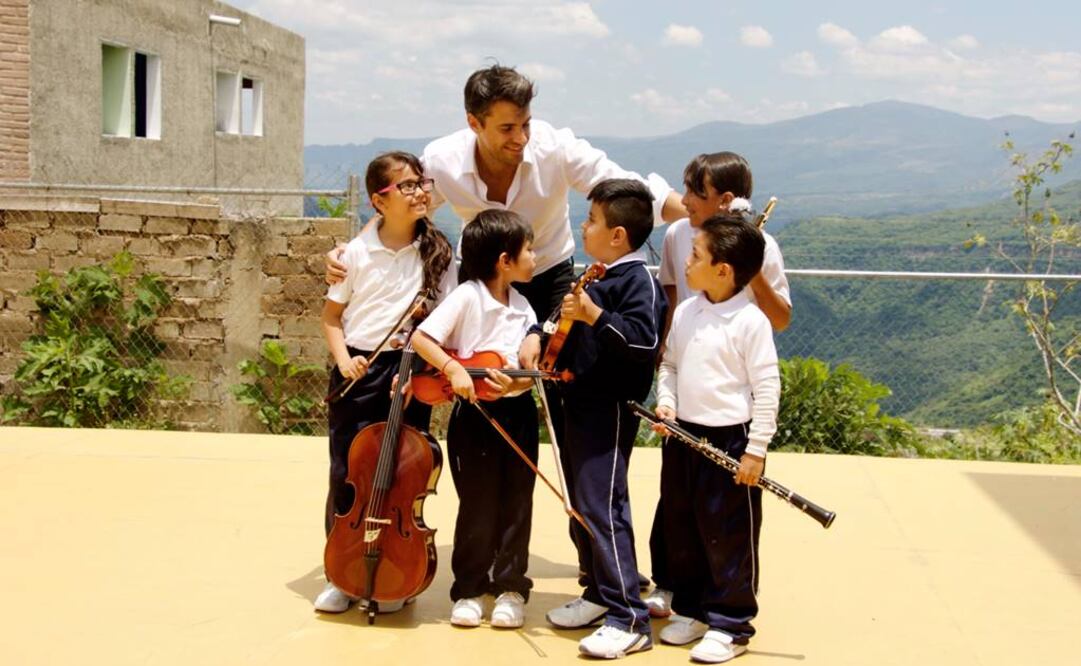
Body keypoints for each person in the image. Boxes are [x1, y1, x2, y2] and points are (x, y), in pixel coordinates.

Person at [520, 179, 666, 659]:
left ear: (618, 234)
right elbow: (568, 328)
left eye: (591, 221)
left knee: (603, 508)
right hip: (575, 403)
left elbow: (644, 344)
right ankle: (599, 593)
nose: (583, 228)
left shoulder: (636, 280)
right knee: (582, 504)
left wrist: (595, 314)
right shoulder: (599, 275)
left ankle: (630, 617)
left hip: (608, 410)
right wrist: (541, 335)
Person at [644, 152, 791, 618]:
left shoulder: (757, 258)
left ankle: (729, 614)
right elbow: (672, 303)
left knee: (726, 522)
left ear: (726, 200)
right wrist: (666, 387)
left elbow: (780, 321)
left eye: (695, 192)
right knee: (680, 511)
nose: (683, 200)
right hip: (687, 395)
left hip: (731, 406)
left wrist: (751, 256)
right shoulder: (676, 238)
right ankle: (679, 595)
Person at [315, 152, 456, 614]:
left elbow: (445, 322)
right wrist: (345, 360)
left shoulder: (437, 253)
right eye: (408, 186)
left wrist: (421, 370)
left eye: (422, 183)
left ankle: (395, 568)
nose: (420, 192)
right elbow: (332, 318)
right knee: (347, 474)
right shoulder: (355, 254)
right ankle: (343, 573)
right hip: (359, 370)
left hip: (410, 371)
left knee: (400, 475)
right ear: (379, 200)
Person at [410, 209, 540, 629]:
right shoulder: (468, 296)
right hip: (474, 417)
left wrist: (516, 386)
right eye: (530, 249)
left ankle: (510, 588)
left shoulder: (523, 307)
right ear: (505, 260)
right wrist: (452, 369)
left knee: (517, 502)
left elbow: (528, 375)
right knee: (478, 504)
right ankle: (468, 589)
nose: (535, 257)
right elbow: (422, 338)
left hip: (517, 414)